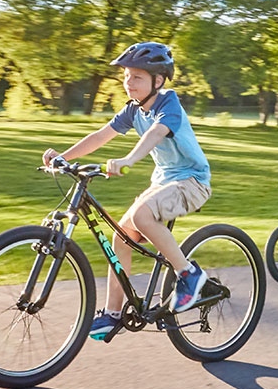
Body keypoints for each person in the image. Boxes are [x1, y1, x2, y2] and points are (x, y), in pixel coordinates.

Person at [42, 41, 213, 341]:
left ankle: (189, 274)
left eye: (137, 77)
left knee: (142, 215)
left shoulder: (168, 103)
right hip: (164, 183)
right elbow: (101, 135)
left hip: (192, 181)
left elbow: (156, 132)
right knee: (121, 236)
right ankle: (113, 314)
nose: (128, 82)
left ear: (157, 81)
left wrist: (129, 159)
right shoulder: (133, 109)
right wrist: (63, 158)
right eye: (126, 76)